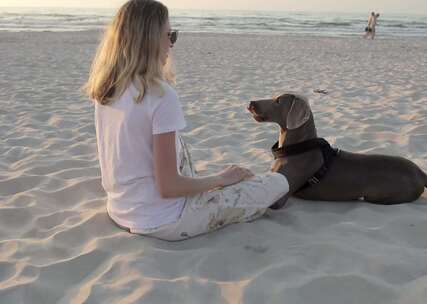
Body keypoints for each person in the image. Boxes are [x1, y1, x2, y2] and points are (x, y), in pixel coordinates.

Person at [83, 0, 288, 241]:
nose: (171, 43)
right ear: (149, 40)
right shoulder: (159, 95)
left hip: (120, 210)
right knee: (277, 182)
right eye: (169, 35)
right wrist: (222, 179)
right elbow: (168, 186)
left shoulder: (107, 88)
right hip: (166, 220)